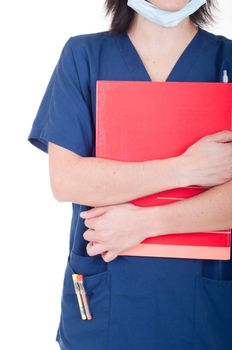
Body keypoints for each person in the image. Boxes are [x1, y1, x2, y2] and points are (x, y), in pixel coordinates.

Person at [27, 1, 232, 349]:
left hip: (202, 306)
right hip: (107, 303)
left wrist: (146, 223)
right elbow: (67, 180)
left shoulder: (225, 60)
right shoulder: (84, 55)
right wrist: (187, 168)